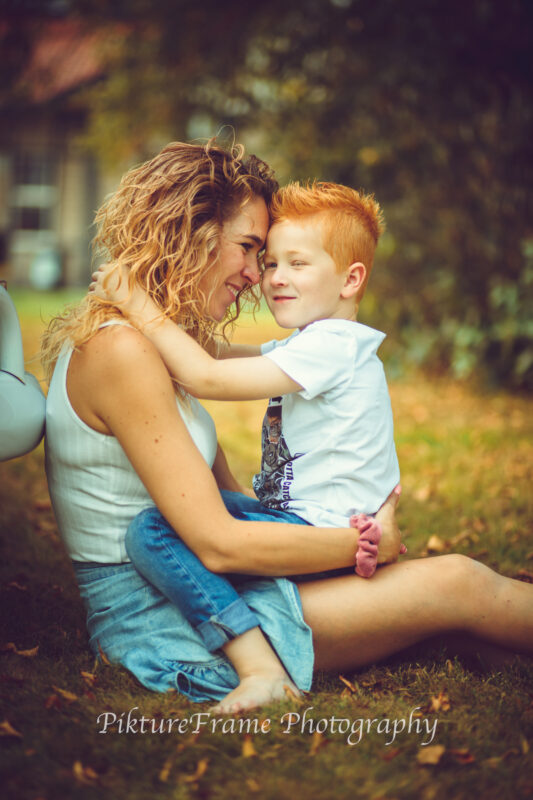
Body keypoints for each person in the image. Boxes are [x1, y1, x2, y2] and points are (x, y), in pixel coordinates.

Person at [43, 139, 533, 715]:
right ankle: (266, 670)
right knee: (456, 584)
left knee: (450, 622)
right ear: (192, 231)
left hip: (217, 585)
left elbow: (231, 500)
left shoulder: (157, 344)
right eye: (252, 250)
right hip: (171, 611)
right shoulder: (123, 350)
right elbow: (219, 542)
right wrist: (365, 545)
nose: (257, 275)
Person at [90, 180, 405, 711]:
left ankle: (254, 660)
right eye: (270, 262)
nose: (273, 277)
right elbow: (215, 353)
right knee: (210, 513)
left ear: (351, 279)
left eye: (296, 264)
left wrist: (138, 305)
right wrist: (167, 318)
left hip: (318, 532)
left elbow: (209, 377)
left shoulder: (332, 346)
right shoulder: (315, 342)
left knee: (154, 532)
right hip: (307, 519)